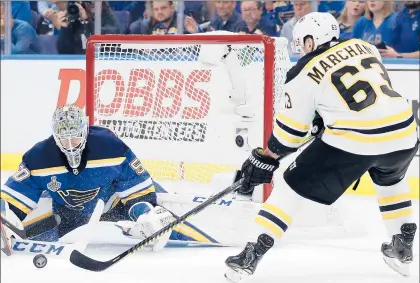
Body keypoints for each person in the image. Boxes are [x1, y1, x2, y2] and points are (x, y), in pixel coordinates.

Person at [224, 12, 418, 282]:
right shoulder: (366, 47)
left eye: (302, 41)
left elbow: (290, 134)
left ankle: (250, 254)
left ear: (311, 41)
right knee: (391, 179)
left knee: (289, 188)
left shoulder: (302, 71)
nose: (301, 47)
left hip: (355, 140)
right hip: (405, 132)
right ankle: (403, 246)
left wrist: (265, 157)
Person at [1, 105, 174, 255]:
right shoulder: (38, 157)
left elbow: (135, 185)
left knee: (168, 225)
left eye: (75, 136)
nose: (70, 144)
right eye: (64, 138)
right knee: (32, 238)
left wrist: (143, 212)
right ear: (55, 135)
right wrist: (4, 218)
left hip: (116, 203)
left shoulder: (109, 146)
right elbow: (13, 197)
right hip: (68, 213)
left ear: (84, 130)